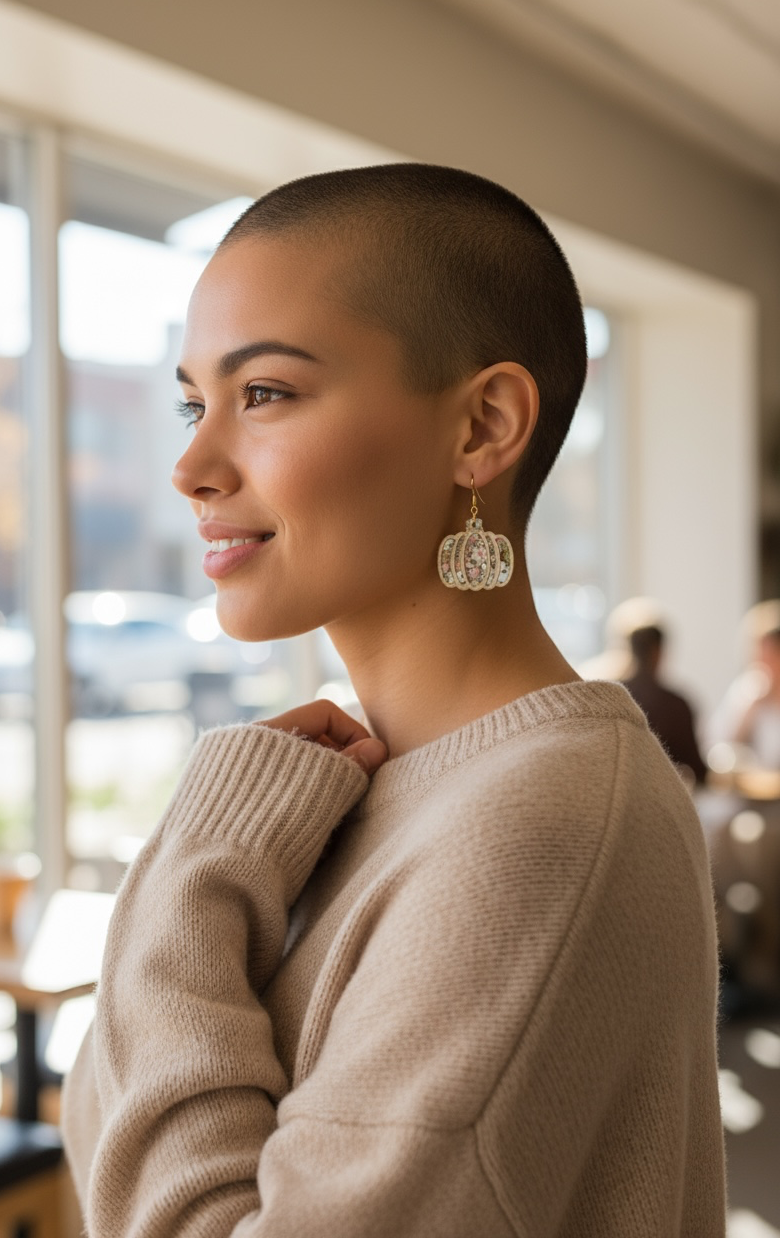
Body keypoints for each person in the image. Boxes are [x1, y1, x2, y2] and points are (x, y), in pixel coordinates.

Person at [61, 164, 725, 1236]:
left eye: (264, 393)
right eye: (193, 401)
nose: (190, 463)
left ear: (480, 429)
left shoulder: (538, 825)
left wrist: (192, 875)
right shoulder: (392, 787)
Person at [622, 621, 708, 787]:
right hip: (662, 797)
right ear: (659, 652)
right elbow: (697, 769)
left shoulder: (615, 697)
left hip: (622, 792)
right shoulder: (677, 705)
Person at [710, 599, 780, 769]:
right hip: (753, 791)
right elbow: (718, 749)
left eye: (769, 654)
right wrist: (749, 708)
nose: (762, 662)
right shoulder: (747, 690)